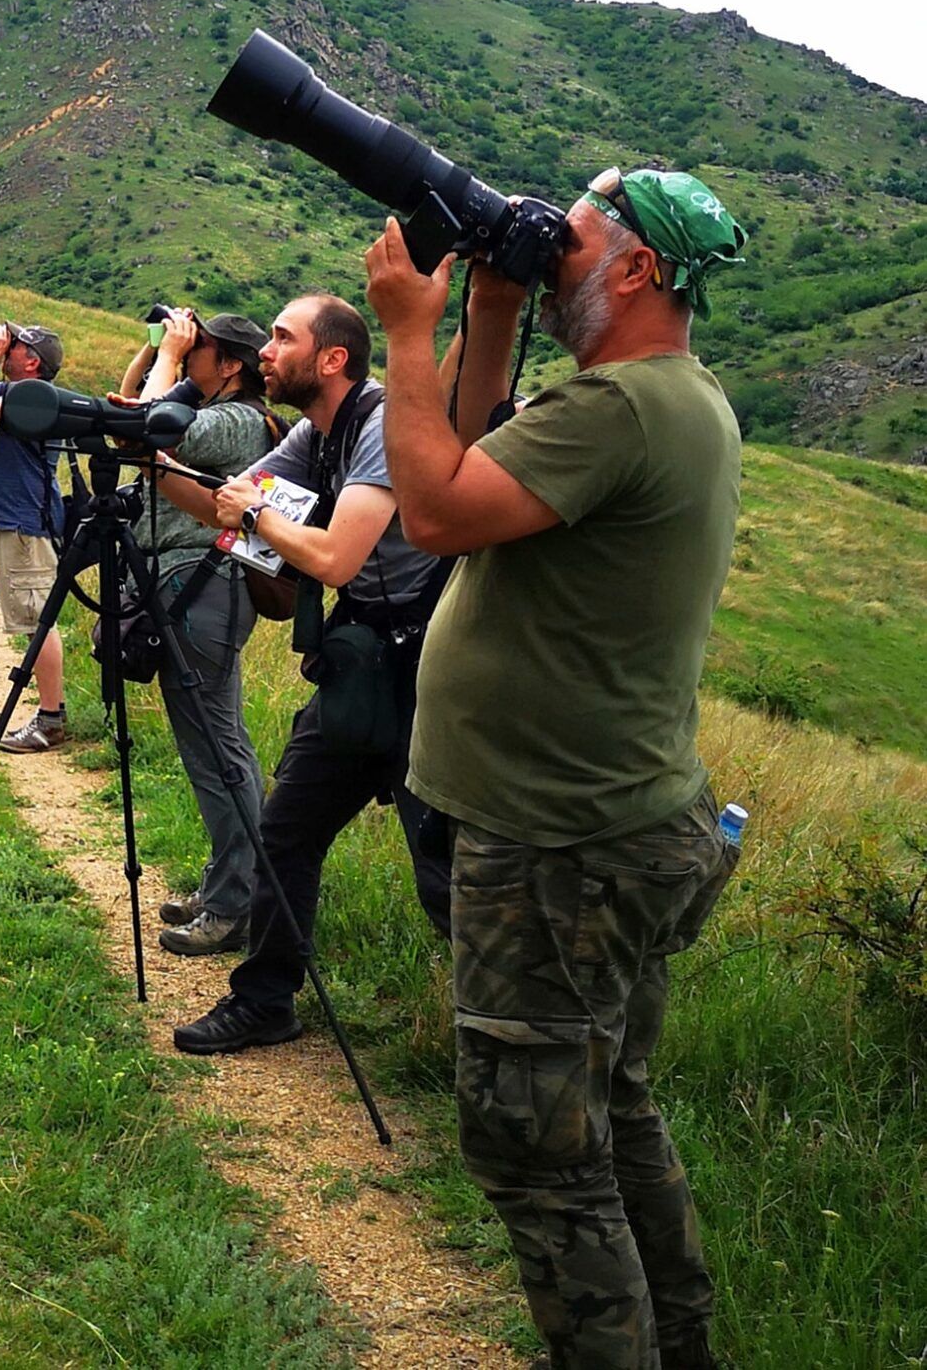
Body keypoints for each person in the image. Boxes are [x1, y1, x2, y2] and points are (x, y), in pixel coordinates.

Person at [363, 169, 749, 1370]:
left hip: (559, 848)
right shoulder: (663, 398)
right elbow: (470, 448)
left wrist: (406, 332)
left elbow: (431, 506)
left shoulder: (619, 411)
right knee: (611, 1111)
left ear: (635, 269)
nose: (548, 254)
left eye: (570, 243)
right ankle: (673, 1348)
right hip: (616, 825)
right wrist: (485, 315)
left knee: (537, 1150)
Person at [169, 292, 453, 1055]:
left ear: (331, 359)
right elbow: (218, 505)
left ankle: (509, 1041)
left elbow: (332, 557)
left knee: (446, 869)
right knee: (286, 830)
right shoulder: (312, 438)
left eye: (282, 338)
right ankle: (265, 1002)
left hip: (431, 676)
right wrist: (144, 453)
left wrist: (254, 517)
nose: (266, 350)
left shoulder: (381, 427)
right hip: (363, 664)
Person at [123, 308, 282, 955]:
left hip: (204, 587)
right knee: (212, 746)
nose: (187, 357)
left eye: (198, 349)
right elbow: (133, 419)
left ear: (232, 365)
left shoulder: (239, 422)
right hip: (188, 586)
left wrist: (168, 359)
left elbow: (156, 428)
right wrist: (153, 347)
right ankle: (228, 886)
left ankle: (234, 905)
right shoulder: (210, 412)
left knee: (220, 751)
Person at [0, 321, 69, 752]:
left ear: (32, 361)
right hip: (17, 522)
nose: (8, 349)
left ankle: (50, 719)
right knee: (34, 621)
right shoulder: (22, 394)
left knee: (38, 623)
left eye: (15, 346)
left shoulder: (38, 403)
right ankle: (50, 714)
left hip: (26, 525)